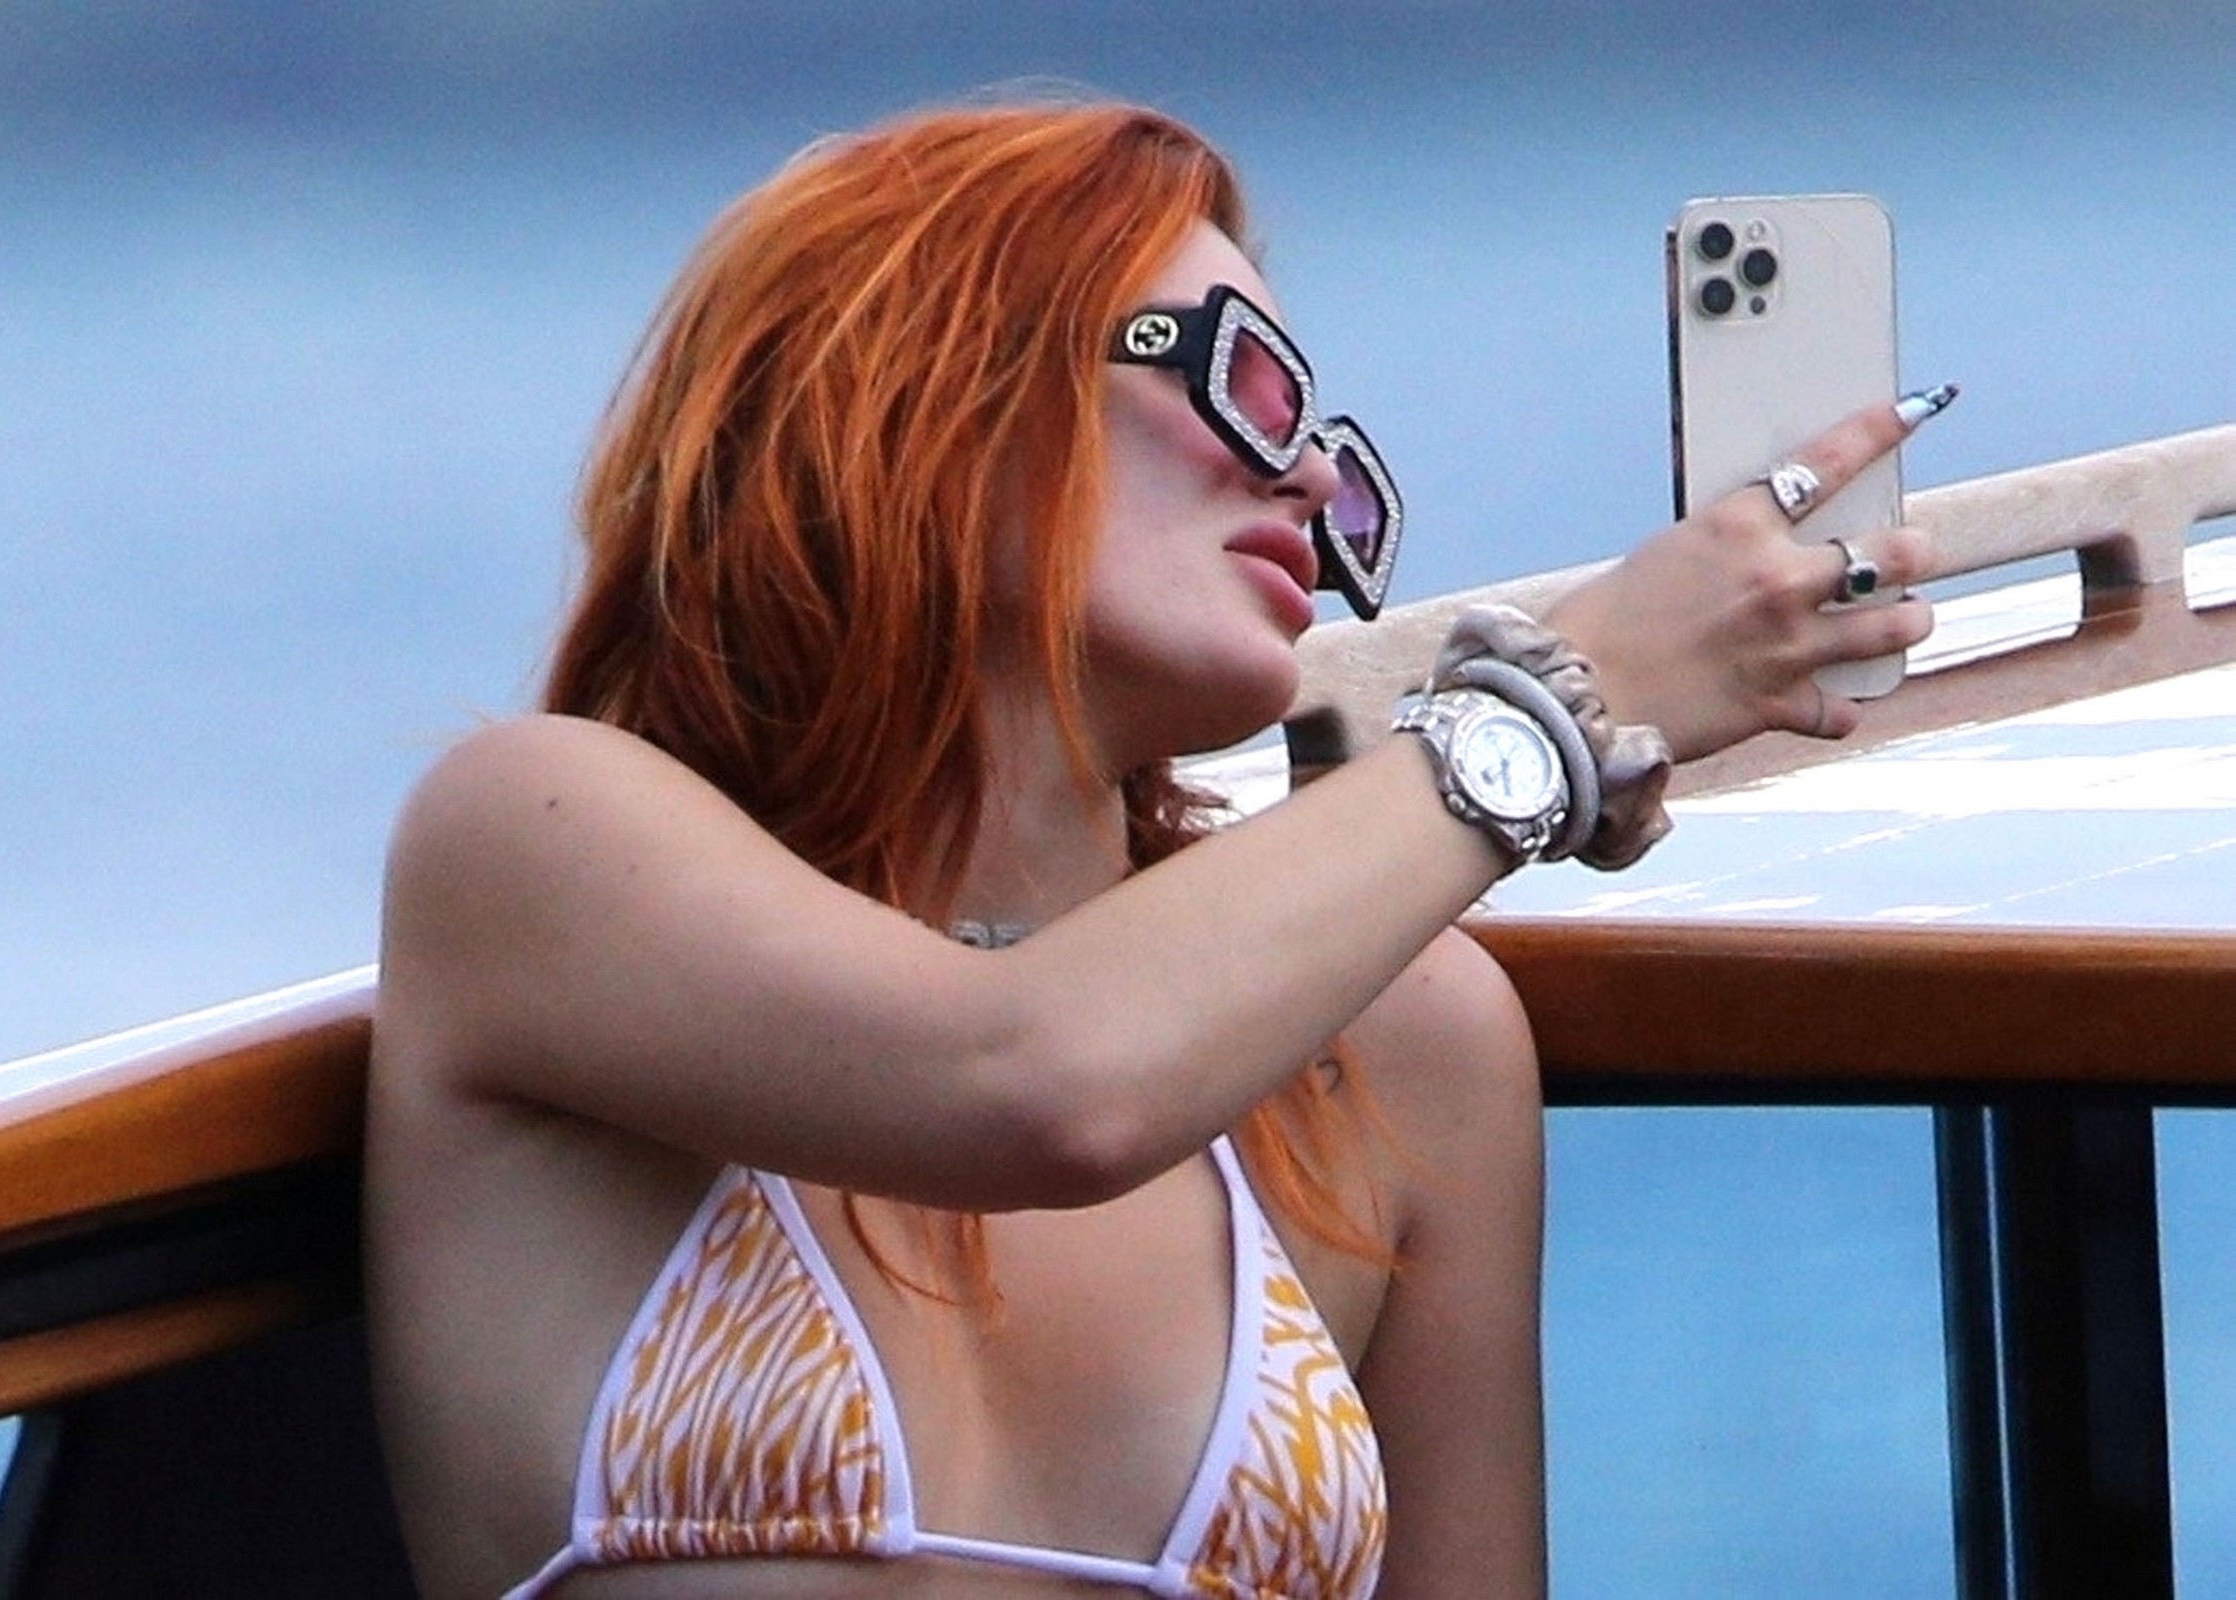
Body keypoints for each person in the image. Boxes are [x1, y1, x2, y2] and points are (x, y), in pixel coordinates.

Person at [362, 98, 1940, 1600]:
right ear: (940, 384)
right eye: (1248, 386)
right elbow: (1039, 1083)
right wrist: (1547, 716)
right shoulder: (529, 844)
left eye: (1329, 455)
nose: (1308, 479)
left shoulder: (1398, 1045)